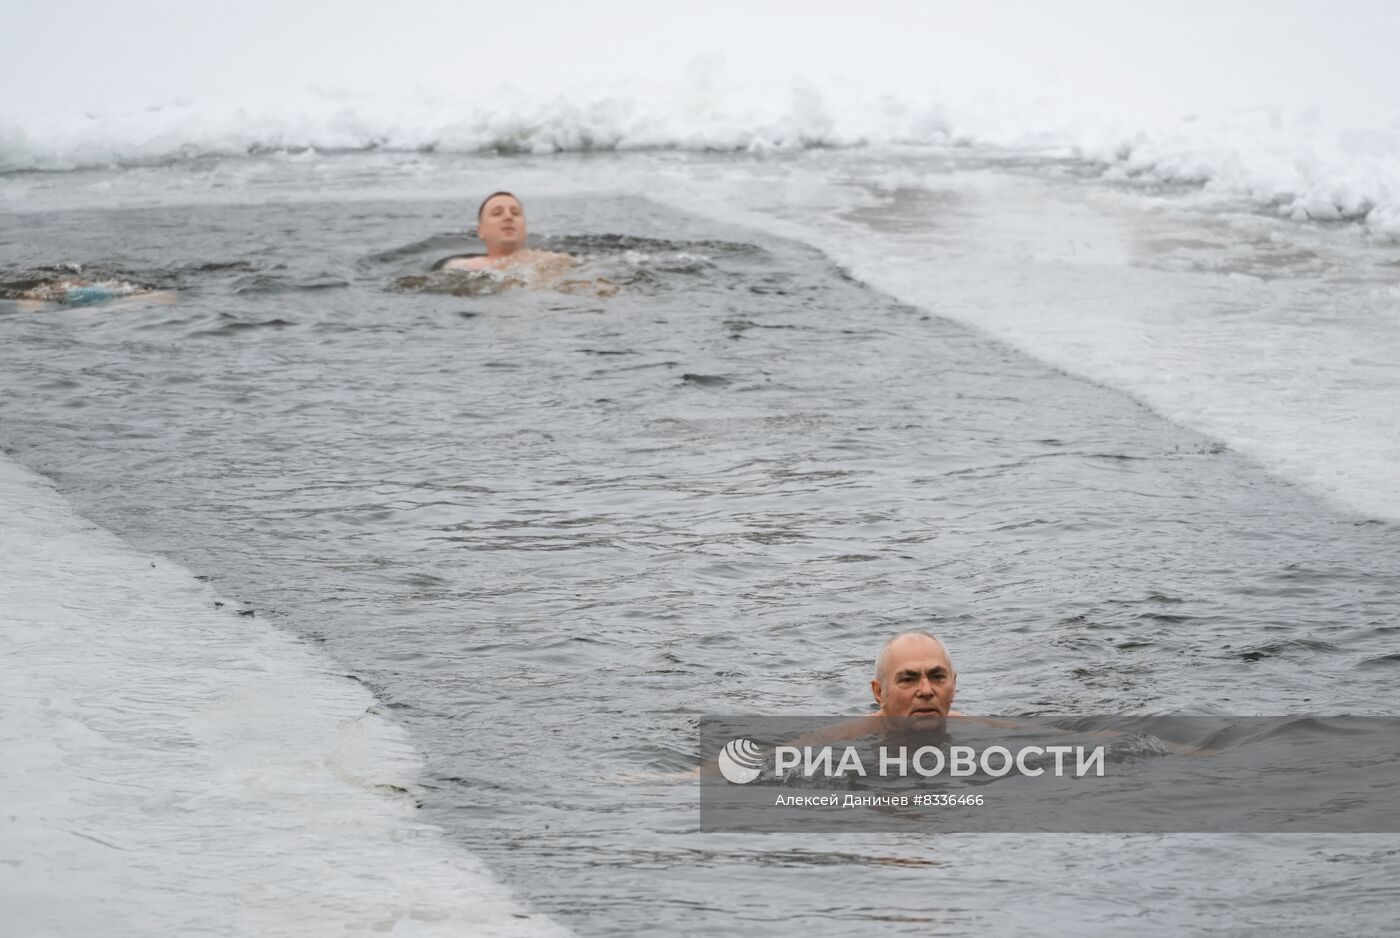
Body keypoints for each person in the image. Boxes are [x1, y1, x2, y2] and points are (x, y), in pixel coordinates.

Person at [440, 191, 572, 273]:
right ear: (481, 231)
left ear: (525, 229)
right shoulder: (461, 267)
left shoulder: (553, 261)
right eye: (497, 213)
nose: (508, 217)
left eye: (515, 213)